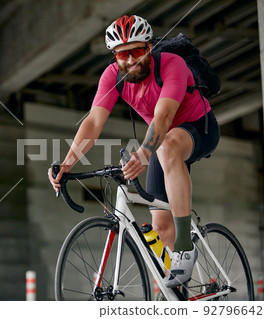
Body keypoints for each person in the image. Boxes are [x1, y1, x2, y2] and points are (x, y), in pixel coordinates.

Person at [47, 14, 220, 288]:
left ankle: (186, 247)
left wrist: (143, 154)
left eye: (136, 51)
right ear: (114, 56)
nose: (130, 60)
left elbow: (163, 118)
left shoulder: (171, 65)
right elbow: (93, 121)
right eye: (121, 54)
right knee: (161, 226)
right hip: (162, 143)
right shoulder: (112, 76)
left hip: (199, 128)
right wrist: (68, 163)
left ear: (149, 47)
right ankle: (187, 297)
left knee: (168, 146)